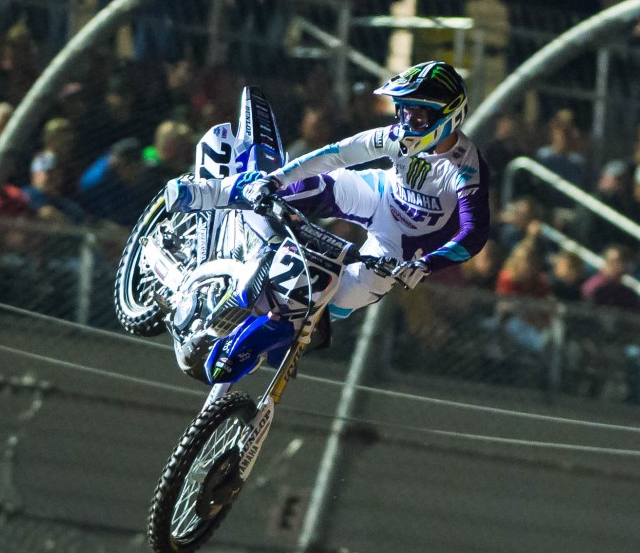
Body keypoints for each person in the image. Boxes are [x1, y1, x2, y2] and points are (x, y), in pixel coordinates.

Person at [161, 62, 483, 377]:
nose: (407, 121)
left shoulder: (466, 167)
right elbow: (335, 155)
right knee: (291, 189)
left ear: (449, 115)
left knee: (333, 303)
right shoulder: (395, 135)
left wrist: (426, 265)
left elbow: (474, 233)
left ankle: (271, 327)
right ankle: (205, 193)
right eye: (403, 111)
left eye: (418, 115)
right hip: (378, 194)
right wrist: (277, 179)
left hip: (402, 242)